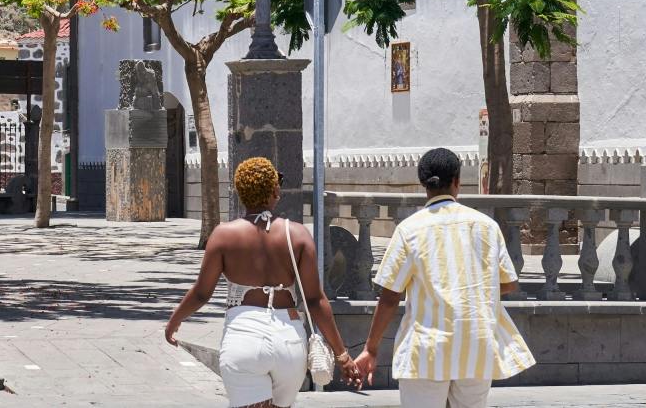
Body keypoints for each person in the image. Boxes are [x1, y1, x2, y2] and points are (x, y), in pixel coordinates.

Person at [164, 157, 359, 406]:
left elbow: (202, 293)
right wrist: (342, 355)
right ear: (275, 191)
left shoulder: (223, 235)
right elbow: (315, 300)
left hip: (243, 339)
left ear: (240, 193)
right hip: (289, 343)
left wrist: (175, 320)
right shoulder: (298, 234)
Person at [351, 147, 535, 407]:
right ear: (457, 181)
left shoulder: (409, 230)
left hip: (427, 349)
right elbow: (508, 283)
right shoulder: (486, 226)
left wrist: (370, 348)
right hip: (476, 346)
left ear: (424, 184)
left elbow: (390, 296)